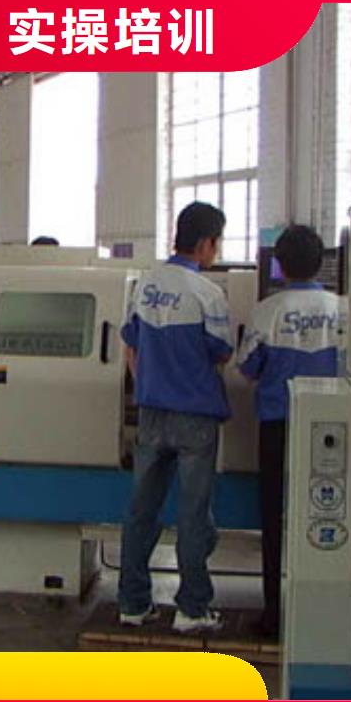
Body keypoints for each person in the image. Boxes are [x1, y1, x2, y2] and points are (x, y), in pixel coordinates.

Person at [118, 201, 233, 634]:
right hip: (195, 417)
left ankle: (132, 603)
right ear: (205, 244)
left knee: (141, 510)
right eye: (216, 243)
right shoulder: (208, 293)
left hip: (151, 412)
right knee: (193, 513)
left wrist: (149, 381)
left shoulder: (145, 285)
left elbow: (130, 342)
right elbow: (221, 353)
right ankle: (192, 608)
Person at [236, 224, 347, 638]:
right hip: (332, 425)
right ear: (322, 263)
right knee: (327, 513)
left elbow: (247, 369)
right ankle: (322, 613)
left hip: (277, 422)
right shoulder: (343, 309)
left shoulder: (268, 311)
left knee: (274, 516)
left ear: (279, 265)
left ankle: (274, 614)